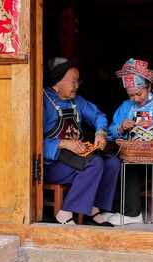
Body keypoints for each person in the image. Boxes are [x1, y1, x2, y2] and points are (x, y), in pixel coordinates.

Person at [43, 57, 120, 225]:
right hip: (53, 163)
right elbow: (30, 141)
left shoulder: (76, 100)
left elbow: (98, 116)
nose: (77, 86)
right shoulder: (42, 101)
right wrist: (62, 143)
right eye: (73, 81)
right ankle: (64, 212)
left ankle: (94, 208)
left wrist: (100, 133)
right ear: (58, 81)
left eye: (78, 81)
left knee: (112, 163)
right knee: (95, 163)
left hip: (77, 158)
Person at [107, 58, 153, 225]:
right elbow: (109, 133)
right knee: (115, 163)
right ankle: (115, 210)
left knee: (130, 166)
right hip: (134, 154)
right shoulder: (126, 106)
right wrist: (121, 127)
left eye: (138, 94)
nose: (135, 98)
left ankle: (132, 213)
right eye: (131, 95)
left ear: (149, 87)